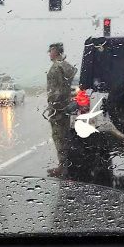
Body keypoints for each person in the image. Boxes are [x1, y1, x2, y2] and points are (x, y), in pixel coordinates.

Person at [46, 43, 77, 177]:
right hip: (66, 105)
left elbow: (56, 90)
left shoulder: (56, 68)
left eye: (51, 51)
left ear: (55, 51)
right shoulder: (66, 65)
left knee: (59, 136)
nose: (49, 54)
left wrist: (53, 105)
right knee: (65, 136)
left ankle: (63, 167)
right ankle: (66, 165)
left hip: (58, 107)